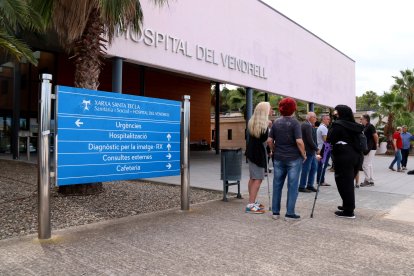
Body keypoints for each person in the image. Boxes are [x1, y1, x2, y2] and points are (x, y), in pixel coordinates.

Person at [267, 97, 306, 221]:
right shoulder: (295, 123)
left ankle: (275, 212)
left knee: (277, 184)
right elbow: (299, 141)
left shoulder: (276, 122)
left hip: (278, 157)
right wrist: (304, 154)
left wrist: (273, 150)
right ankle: (289, 213)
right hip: (293, 158)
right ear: (293, 109)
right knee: (292, 185)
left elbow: (269, 140)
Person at [327, 105, 364, 219]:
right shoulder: (355, 126)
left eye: (336, 112)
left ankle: (348, 211)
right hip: (357, 157)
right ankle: (347, 205)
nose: (335, 114)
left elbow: (329, 141)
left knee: (343, 182)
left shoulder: (338, 125)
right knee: (348, 182)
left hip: (344, 157)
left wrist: (322, 157)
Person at [245, 102, 272, 214]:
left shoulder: (253, 122)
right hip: (258, 154)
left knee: (253, 177)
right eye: (270, 109)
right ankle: (251, 204)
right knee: (258, 178)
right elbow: (265, 139)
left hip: (252, 153)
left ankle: (252, 202)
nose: (271, 111)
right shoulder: (264, 124)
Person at [298, 112, 319, 192]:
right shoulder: (307, 125)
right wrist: (317, 149)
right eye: (315, 117)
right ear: (310, 117)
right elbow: (310, 140)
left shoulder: (308, 125)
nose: (316, 119)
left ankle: (310, 185)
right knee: (306, 169)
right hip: (308, 151)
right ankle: (302, 186)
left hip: (311, 151)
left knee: (313, 168)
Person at [359, 114, 379, 187]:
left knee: (365, 164)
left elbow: (375, 135)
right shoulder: (365, 126)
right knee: (369, 164)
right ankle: (371, 180)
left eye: (361, 119)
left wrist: (376, 144)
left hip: (371, 148)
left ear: (366, 119)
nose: (360, 120)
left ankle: (367, 180)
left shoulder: (370, 126)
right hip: (368, 147)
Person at [316, 114, 331, 186]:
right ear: (323, 119)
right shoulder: (323, 128)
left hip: (321, 147)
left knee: (321, 165)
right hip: (324, 149)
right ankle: (321, 181)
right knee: (323, 165)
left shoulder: (321, 127)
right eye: (328, 119)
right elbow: (326, 140)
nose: (329, 120)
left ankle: (320, 180)